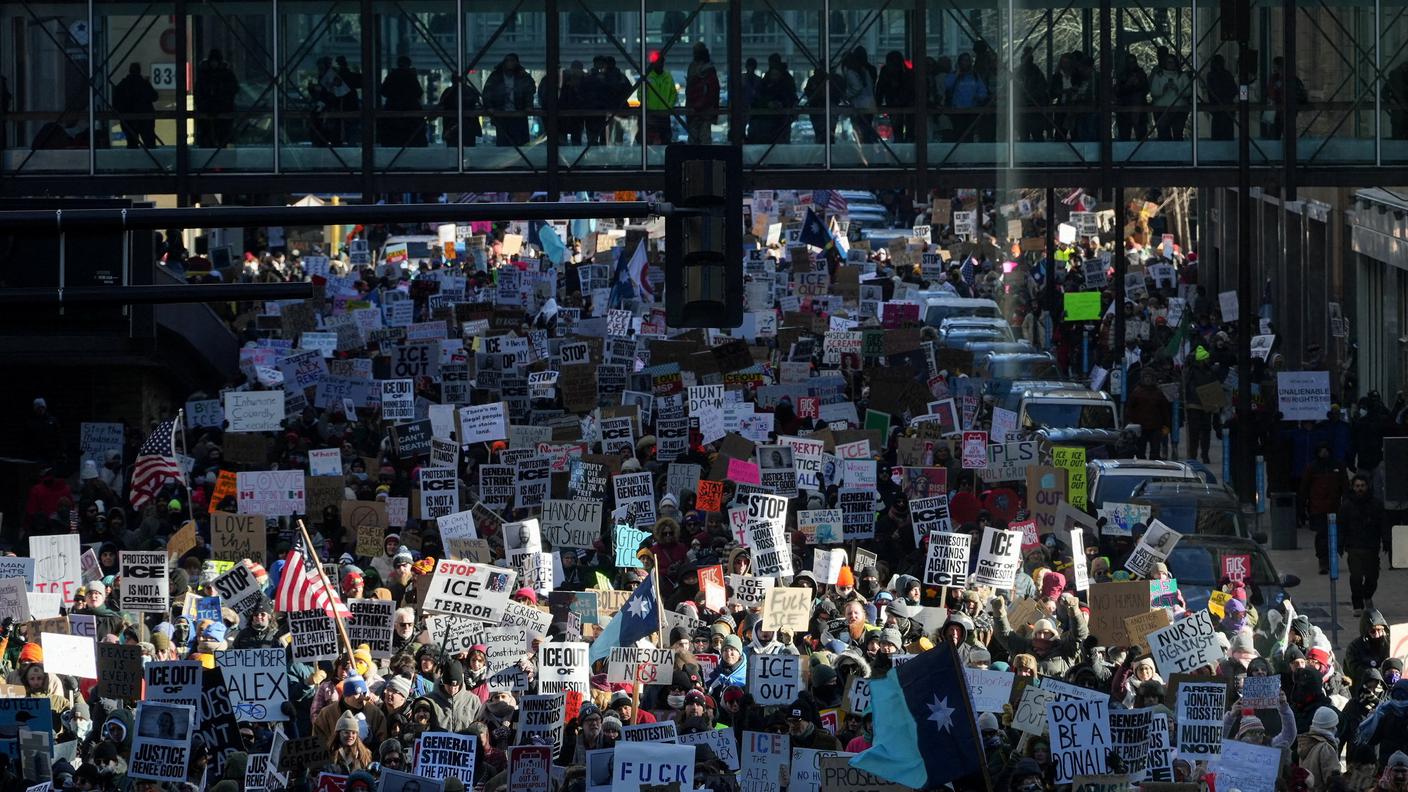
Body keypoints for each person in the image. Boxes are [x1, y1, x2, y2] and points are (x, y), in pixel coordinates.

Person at [1339, 473, 1387, 614]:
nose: (1360, 489)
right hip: (1354, 547)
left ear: (1367, 487)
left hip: (1371, 547)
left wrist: (1386, 540)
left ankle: (1367, 596)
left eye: (1363, 486)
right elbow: (1341, 526)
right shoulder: (1346, 506)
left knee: (1373, 577)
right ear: (1353, 487)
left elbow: (1383, 524)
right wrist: (1340, 544)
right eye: (1357, 486)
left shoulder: (1376, 504)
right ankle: (1357, 604)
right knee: (1356, 577)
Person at [1300, 443, 1347, 575]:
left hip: (1335, 507)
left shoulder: (1338, 466)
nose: (1324, 453)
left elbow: (1345, 485)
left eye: (1326, 450)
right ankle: (1323, 561)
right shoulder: (1313, 468)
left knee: (1335, 535)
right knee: (1322, 535)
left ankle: (1332, 559)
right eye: (1322, 450)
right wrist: (1303, 506)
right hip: (1318, 508)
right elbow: (1305, 488)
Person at [483, 54, 537, 147]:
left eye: (512, 61)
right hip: (502, 114)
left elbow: (530, 90)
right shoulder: (496, 76)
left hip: (518, 114)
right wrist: (489, 107)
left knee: (519, 143)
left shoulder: (521, 76)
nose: (510, 63)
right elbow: (487, 92)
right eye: (508, 61)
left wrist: (528, 106)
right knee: (505, 142)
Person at [194, 49, 239, 148]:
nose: (214, 64)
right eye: (212, 61)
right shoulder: (225, 74)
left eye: (215, 61)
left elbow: (198, 93)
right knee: (214, 139)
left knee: (216, 138)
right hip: (215, 113)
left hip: (215, 113)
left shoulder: (204, 74)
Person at [378, 56, 426, 148]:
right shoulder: (410, 75)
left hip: (393, 113)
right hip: (411, 114)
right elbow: (418, 92)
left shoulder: (392, 75)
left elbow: (383, 91)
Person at [113, 64, 159, 149]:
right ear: (139, 71)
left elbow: (115, 103)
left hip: (128, 119)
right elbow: (154, 97)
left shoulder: (122, 85)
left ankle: (133, 160)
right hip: (145, 118)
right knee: (149, 144)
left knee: (132, 144)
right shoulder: (144, 84)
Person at [684, 44, 719, 145]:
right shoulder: (710, 70)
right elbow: (714, 92)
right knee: (704, 140)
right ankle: (705, 159)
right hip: (705, 111)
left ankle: (694, 159)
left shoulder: (692, 68)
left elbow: (689, 90)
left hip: (694, 111)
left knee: (694, 140)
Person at [640, 52, 677, 145]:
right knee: (650, 140)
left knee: (665, 140)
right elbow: (640, 93)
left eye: (661, 62)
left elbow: (673, 93)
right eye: (658, 62)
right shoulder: (648, 76)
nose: (659, 64)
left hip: (663, 114)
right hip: (652, 114)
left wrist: (669, 106)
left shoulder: (667, 76)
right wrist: (648, 105)